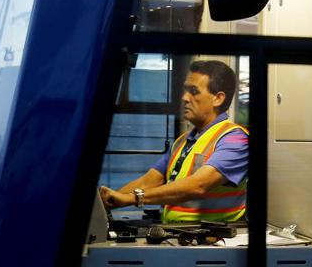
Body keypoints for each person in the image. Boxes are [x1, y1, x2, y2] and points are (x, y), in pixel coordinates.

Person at [100, 60, 248, 222]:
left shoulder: (235, 139)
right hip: (179, 234)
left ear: (218, 99)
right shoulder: (181, 141)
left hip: (213, 240)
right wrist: (106, 202)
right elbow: (149, 181)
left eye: (194, 91)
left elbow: (198, 185)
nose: (184, 98)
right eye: (185, 90)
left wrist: (133, 198)